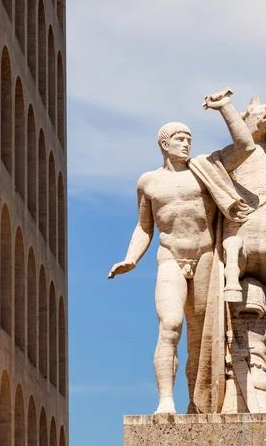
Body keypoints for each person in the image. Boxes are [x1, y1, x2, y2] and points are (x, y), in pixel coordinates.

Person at [108, 89, 255, 414]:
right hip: (170, 258)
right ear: (164, 144)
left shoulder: (206, 168)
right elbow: (144, 226)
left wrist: (224, 107)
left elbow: (246, 147)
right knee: (170, 325)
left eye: (189, 138)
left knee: (200, 342)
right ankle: (165, 401)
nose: (186, 143)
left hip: (205, 258)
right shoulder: (148, 182)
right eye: (179, 138)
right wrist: (131, 258)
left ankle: (197, 404)